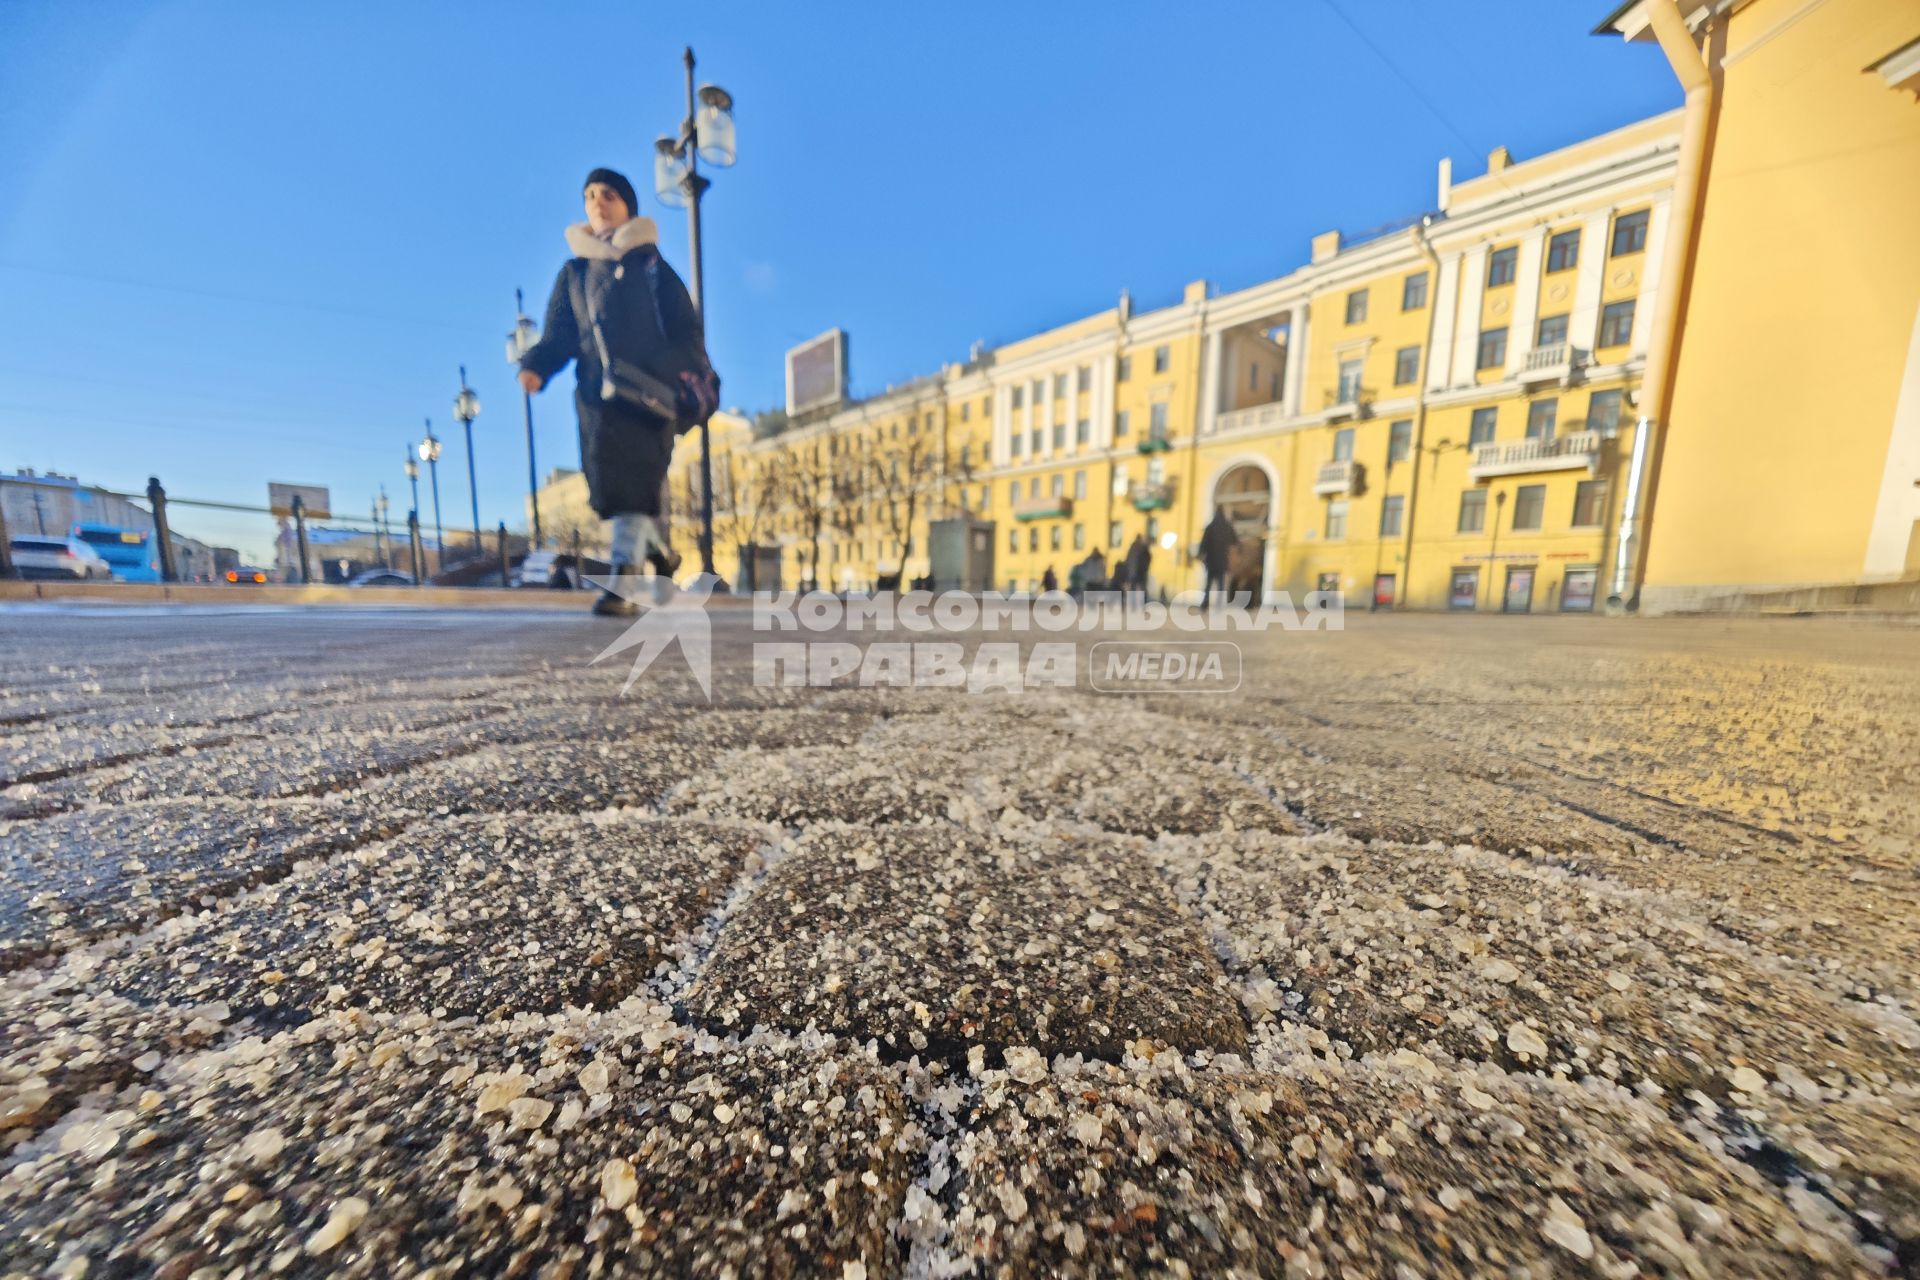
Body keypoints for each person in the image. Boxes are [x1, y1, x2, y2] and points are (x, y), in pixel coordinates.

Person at [516, 168, 717, 617]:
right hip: (598, 398)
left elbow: (686, 330)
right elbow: (560, 333)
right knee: (613, 488)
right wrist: (536, 366)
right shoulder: (575, 272)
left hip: (649, 399)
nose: (597, 202)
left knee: (637, 485)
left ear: (628, 205)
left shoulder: (652, 266)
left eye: (607, 194)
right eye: (589, 195)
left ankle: (624, 583)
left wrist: (675, 376)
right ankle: (662, 556)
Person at [1199, 508, 1237, 607]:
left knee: (1208, 585)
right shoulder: (1227, 527)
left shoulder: (1210, 527)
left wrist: (1200, 555)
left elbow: (1203, 544)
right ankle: (1219, 605)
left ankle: (1205, 604)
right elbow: (1235, 541)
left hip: (1211, 562)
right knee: (1221, 585)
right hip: (1222, 561)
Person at [1123, 534, 1151, 607]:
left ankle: (1133, 604)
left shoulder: (1132, 548)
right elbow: (1148, 558)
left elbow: (1127, 560)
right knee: (1142, 588)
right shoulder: (1143, 548)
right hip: (1141, 571)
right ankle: (1143, 603)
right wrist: (1145, 568)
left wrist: (1127, 572)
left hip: (1132, 572)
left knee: (1133, 588)